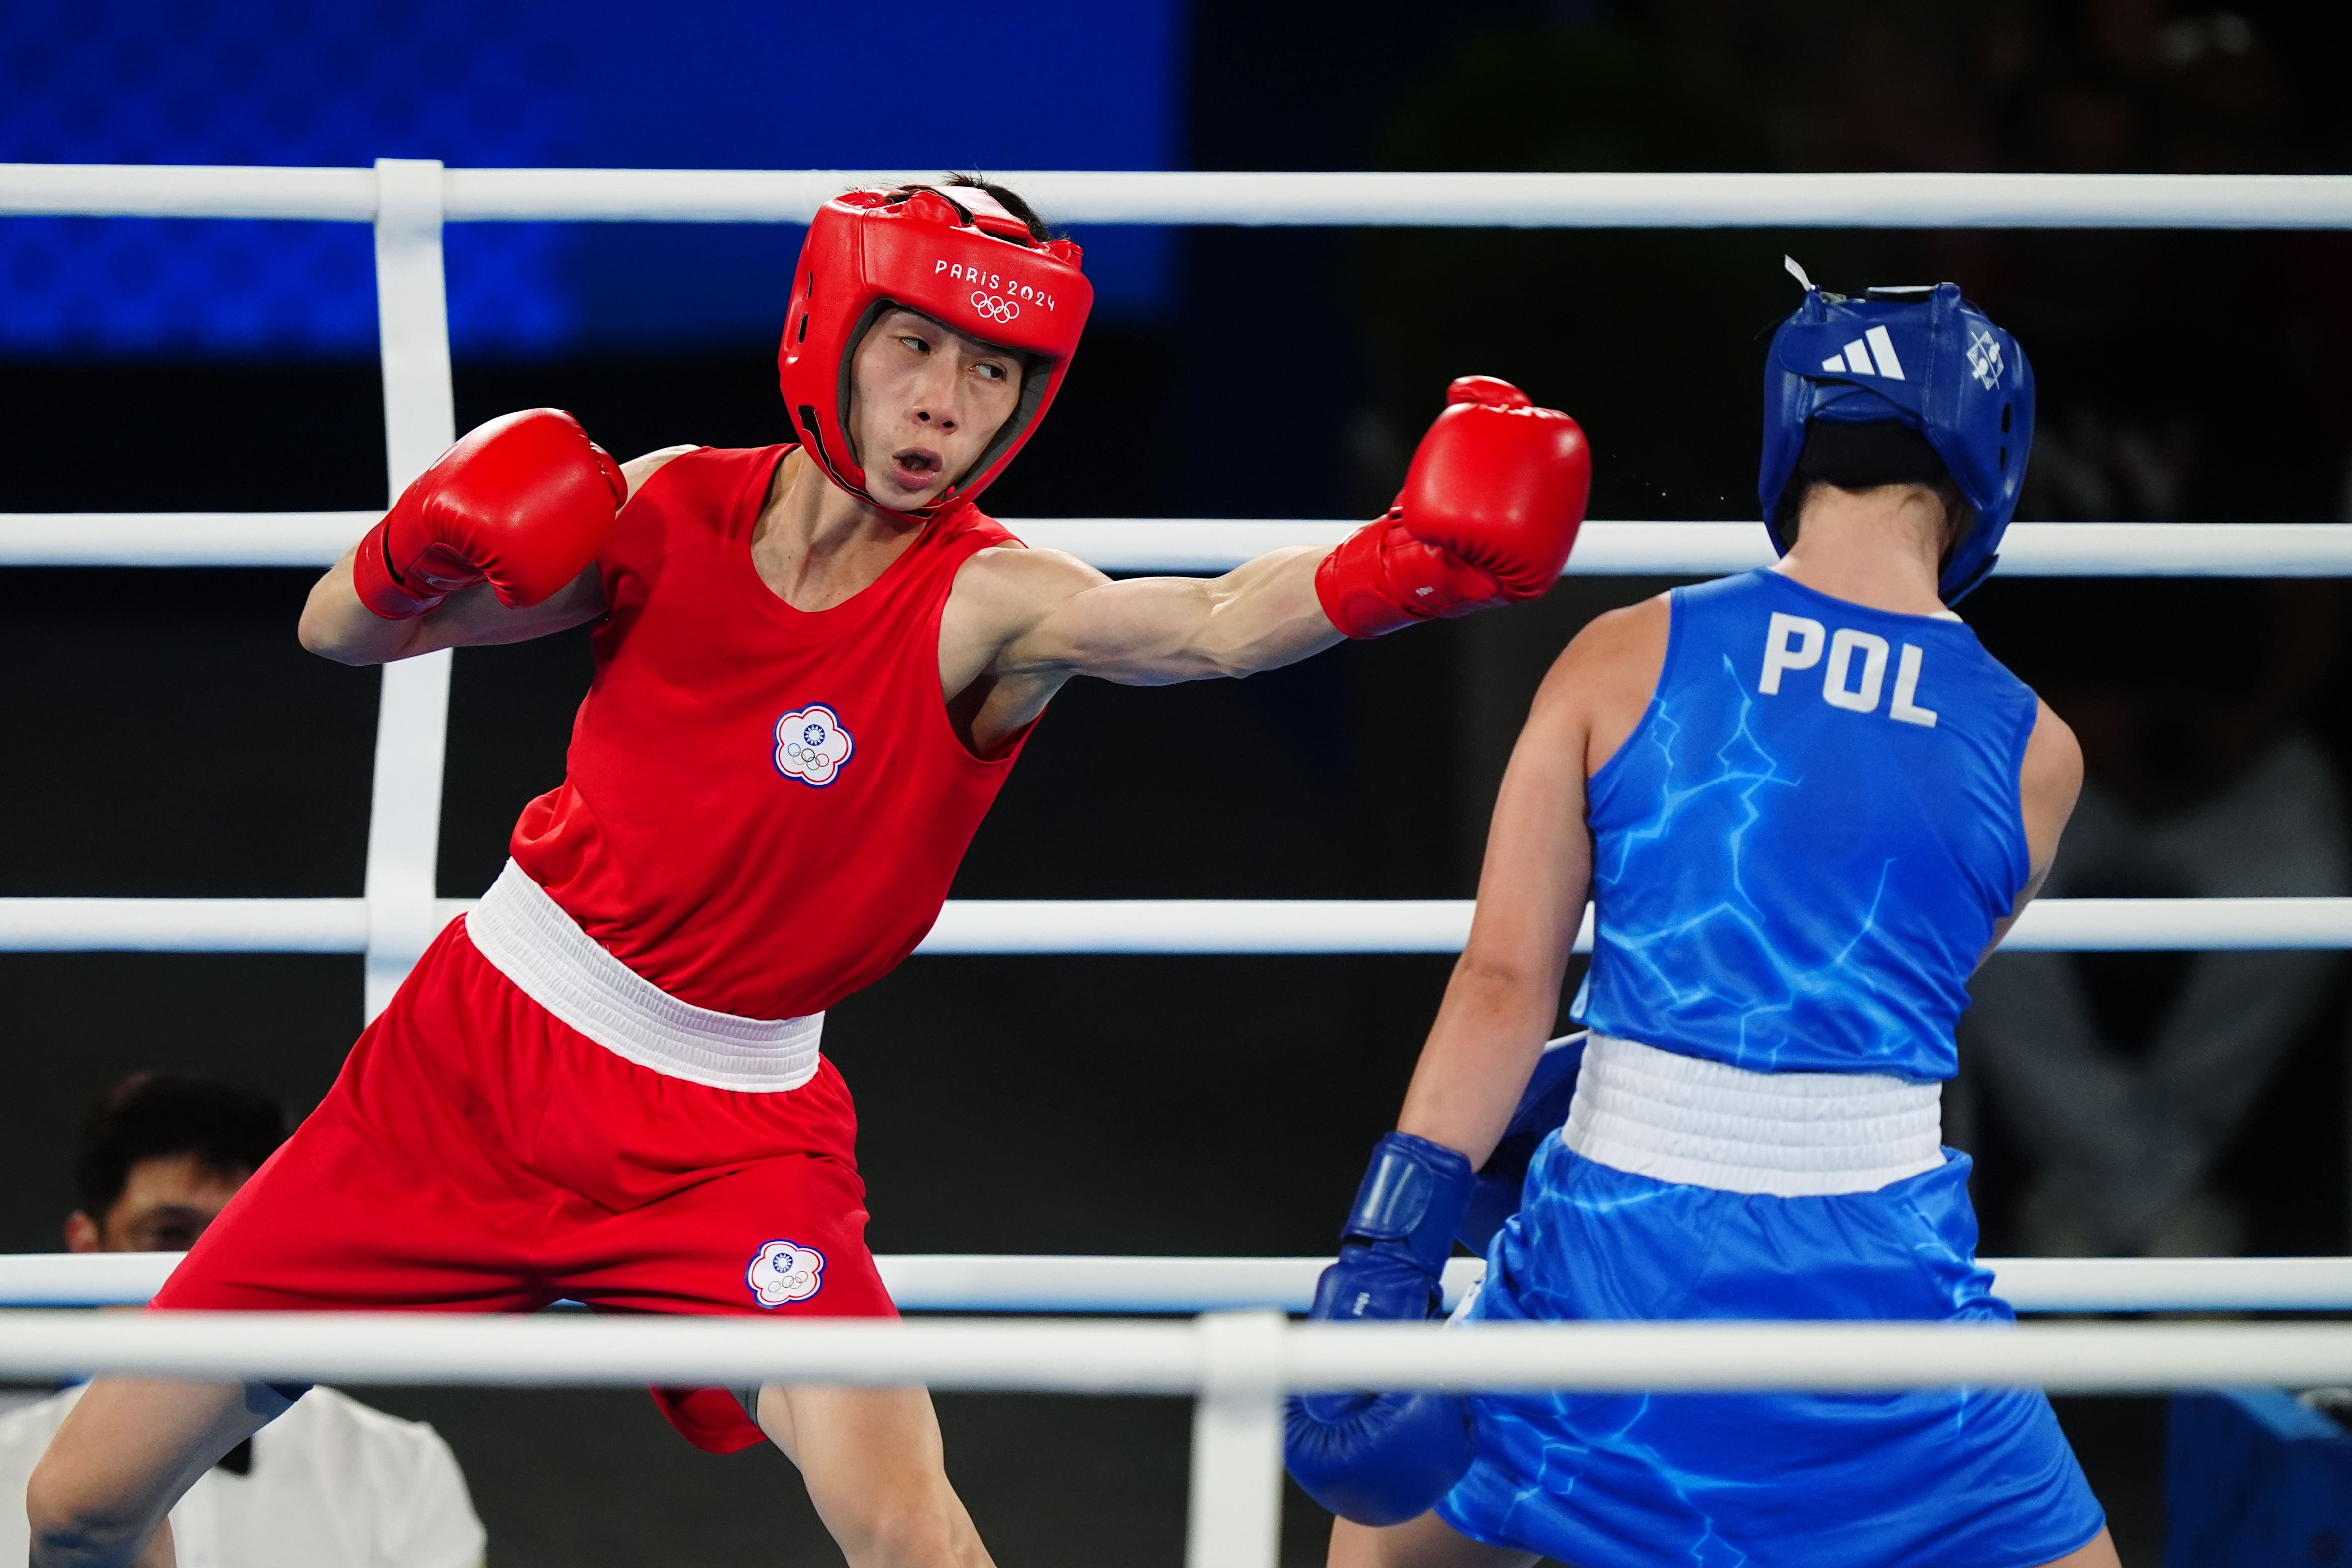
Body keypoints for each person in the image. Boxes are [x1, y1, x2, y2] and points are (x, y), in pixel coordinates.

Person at [26, 178, 1593, 1568]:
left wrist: (1398, 563)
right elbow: (341, 633)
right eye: (918, 346)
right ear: (829, 332)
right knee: (80, 1501)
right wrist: (415, 545)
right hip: (468, 1065)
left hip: (727, 1140)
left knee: (905, 1520)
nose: (946, 403)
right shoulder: (660, 505)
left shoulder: (991, 598)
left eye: (992, 372)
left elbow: (1202, 624)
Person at [1284, 269, 2121, 1567]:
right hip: (1877, 1282)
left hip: (1619, 1253)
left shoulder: (1623, 653)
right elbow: (1889, 1002)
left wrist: (1387, 1258)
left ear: (1793, 439)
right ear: (1985, 462)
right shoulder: (2036, 750)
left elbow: (1504, 983)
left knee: (1378, 1535)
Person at [1, 1073, 483, 1568]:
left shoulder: (402, 1468)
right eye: (168, 1234)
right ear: (88, 1248)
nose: (208, 1285)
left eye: (235, 1243)